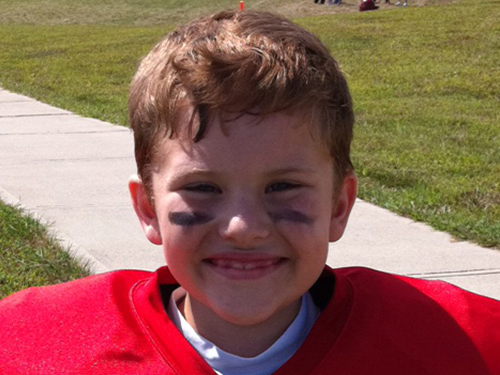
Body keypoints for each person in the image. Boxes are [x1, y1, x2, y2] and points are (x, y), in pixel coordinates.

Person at [0, 9, 499, 375]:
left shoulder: (462, 343)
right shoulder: (33, 345)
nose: (244, 227)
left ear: (339, 205)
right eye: (201, 187)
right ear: (148, 208)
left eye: (283, 186)